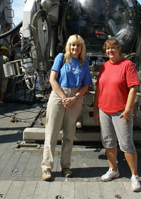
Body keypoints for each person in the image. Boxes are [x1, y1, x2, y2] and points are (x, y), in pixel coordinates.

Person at [41, 34, 92, 181]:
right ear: (69, 46)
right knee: (52, 133)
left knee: (69, 134)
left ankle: (66, 166)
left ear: (82, 48)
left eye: (78, 45)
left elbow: (86, 85)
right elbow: (52, 79)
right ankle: (47, 167)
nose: (75, 48)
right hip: (59, 95)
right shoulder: (61, 58)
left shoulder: (84, 63)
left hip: (75, 97)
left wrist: (74, 98)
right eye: (73, 45)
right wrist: (64, 98)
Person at [93, 38, 141, 192]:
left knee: (126, 145)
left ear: (119, 49)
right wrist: (96, 110)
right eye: (107, 49)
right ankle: (113, 170)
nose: (110, 51)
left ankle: (134, 176)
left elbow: (133, 88)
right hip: (104, 110)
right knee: (108, 143)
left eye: (113, 48)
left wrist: (128, 110)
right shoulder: (104, 67)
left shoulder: (127, 65)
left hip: (121, 112)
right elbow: (98, 90)